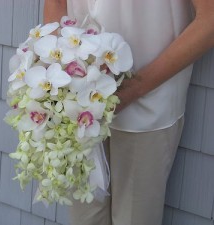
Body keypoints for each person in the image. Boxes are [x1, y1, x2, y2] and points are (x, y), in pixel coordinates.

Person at [44, 0, 214, 225]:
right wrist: (58, 70)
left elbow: (210, 18)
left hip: (149, 106)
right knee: (84, 218)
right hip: (78, 102)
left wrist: (135, 88)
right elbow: (56, 4)